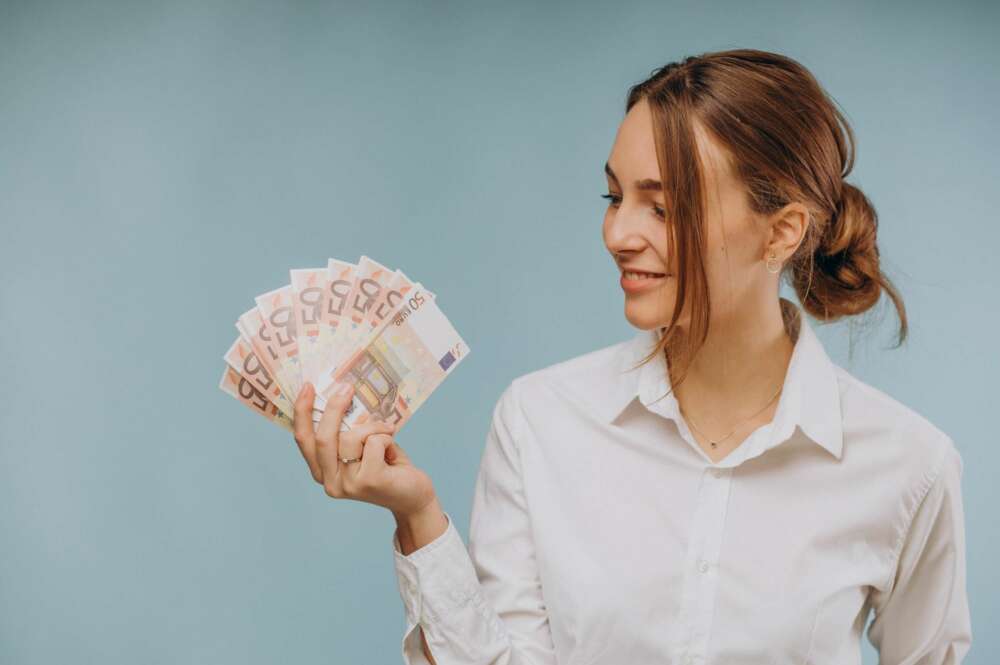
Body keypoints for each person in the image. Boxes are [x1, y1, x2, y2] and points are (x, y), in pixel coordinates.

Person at [291, 48, 972, 664]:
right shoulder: (539, 422)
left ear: (781, 233)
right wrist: (417, 517)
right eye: (614, 197)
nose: (618, 232)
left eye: (664, 207)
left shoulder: (908, 465)